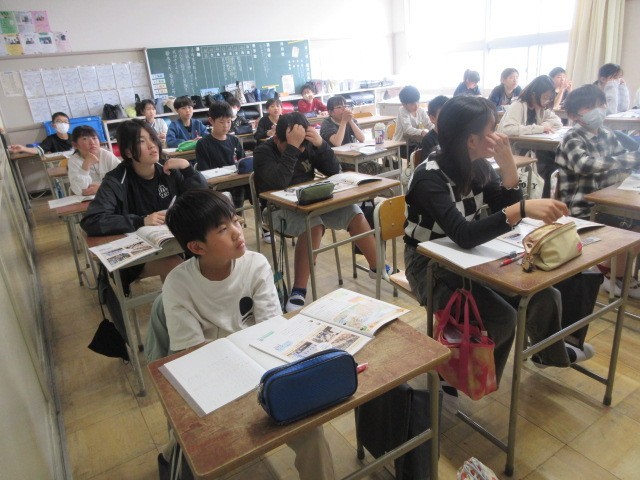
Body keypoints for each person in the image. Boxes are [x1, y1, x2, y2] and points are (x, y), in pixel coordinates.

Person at [403, 96, 594, 393]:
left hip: (469, 256)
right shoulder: (429, 177)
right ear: (471, 140)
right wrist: (521, 208)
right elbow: (465, 233)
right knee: (502, 318)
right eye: (492, 129)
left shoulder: (478, 166)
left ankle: (547, 355)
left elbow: (505, 209)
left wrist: (509, 169)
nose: (498, 135)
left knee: (544, 295)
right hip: (428, 264)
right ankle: (467, 382)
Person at [162, 189, 336, 480]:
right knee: (201, 455)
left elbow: (272, 329)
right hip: (214, 382)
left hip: (263, 372)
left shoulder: (255, 264)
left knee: (312, 434)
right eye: (222, 229)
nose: (237, 231)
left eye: (234, 220)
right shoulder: (178, 285)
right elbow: (193, 354)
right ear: (197, 247)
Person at [254, 112, 387, 312]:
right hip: (277, 209)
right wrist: (292, 148)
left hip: (311, 202)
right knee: (313, 223)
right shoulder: (263, 152)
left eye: (302, 147)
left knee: (353, 210)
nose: (300, 151)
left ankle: (377, 267)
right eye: (292, 146)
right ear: (276, 139)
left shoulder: (307, 144)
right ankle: (299, 290)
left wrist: (321, 145)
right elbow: (278, 182)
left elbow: (334, 171)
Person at [81, 119, 207, 287]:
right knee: (176, 266)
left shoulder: (168, 169)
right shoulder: (115, 180)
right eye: (141, 141)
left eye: (153, 138)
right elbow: (93, 220)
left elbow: (202, 200)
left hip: (168, 242)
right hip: (134, 253)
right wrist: (141, 221)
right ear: (128, 151)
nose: (152, 145)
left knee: (206, 251)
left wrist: (188, 169)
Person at [555, 84, 640, 298]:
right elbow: (586, 165)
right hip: (583, 208)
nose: (598, 110)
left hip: (608, 202)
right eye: (589, 107)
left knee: (636, 226)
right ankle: (614, 274)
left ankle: (612, 271)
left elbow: (626, 161)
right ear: (574, 115)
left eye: (601, 104)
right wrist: (623, 160)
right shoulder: (572, 138)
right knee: (629, 231)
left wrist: (624, 161)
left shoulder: (607, 134)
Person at [497, 75, 563, 198]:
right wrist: (539, 128)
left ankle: (548, 198)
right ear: (534, 94)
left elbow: (558, 122)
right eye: (545, 97)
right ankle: (543, 199)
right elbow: (508, 129)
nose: (546, 101)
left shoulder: (540, 108)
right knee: (551, 164)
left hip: (532, 148)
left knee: (558, 159)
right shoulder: (518, 105)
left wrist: (546, 124)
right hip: (516, 150)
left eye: (549, 99)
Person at [195, 101, 248, 208]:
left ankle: (238, 214)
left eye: (229, 121)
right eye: (221, 122)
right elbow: (204, 171)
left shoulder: (234, 140)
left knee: (246, 188)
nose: (226, 126)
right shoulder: (203, 144)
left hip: (236, 183)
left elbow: (243, 162)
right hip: (217, 187)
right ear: (211, 121)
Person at [67, 125, 120, 196]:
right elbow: (80, 190)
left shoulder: (106, 155)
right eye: (85, 139)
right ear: (75, 145)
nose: (92, 142)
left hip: (110, 196)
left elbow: (122, 178)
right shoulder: (74, 161)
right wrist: (86, 165)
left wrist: (102, 188)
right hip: (87, 200)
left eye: (94, 138)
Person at [391, 86, 433, 156]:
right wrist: (421, 132)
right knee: (421, 153)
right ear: (404, 104)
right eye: (412, 104)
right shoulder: (402, 111)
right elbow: (408, 129)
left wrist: (436, 129)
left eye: (417, 101)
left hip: (414, 143)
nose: (416, 105)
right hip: (401, 145)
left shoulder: (421, 111)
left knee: (430, 148)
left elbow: (429, 124)